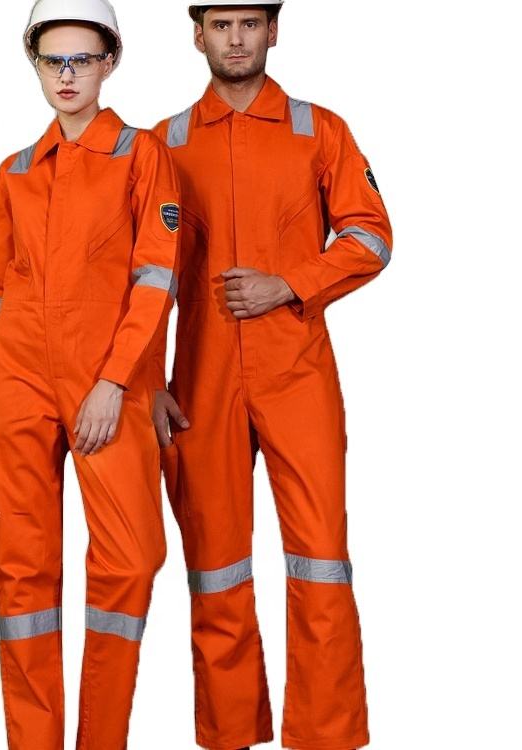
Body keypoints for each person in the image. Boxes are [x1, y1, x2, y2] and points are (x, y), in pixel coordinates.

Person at [150, 3, 392, 749]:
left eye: (250, 22)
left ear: (273, 31)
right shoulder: (163, 143)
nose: (236, 38)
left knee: (320, 559)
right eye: (221, 24)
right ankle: (230, 734)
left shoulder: (319, 130)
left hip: (297, 372)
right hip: (198, 378)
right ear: (197, 34)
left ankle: (326, 735)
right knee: (214, 565)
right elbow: (135, 274)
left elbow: (371, 235)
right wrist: (145, 380)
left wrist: (288, 283)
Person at [0, 1, 180, 747]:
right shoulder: (15, 171)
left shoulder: (142, 155)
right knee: (21, 573)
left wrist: (115, 382)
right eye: (54, 60)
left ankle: (100, 739)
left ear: (111, 62)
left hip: (105, 380)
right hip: (13, 380)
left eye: (83, 58)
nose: (68, 74)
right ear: (36, 65)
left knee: (132, 557)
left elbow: (156, 279)